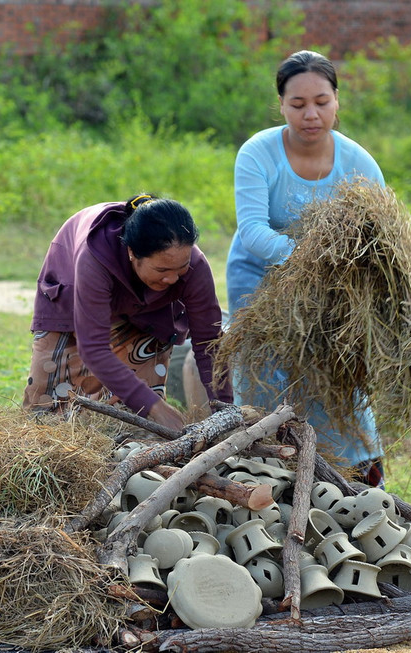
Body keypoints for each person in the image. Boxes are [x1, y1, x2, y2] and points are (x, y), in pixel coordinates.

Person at [226, 50, 386, 487]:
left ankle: (351, 481)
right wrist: (310, 258)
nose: (310, 114)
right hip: (259, 280)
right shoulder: (258, 153)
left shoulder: (359, 164)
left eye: (321, 102)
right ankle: (263, 475)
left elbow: (378, 237)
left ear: (337, 101)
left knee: (336, 376)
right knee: (265, 378)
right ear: (281, 105)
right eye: (297, 104)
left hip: (334, 288)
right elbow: (252, 230)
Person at [23, 194, 232, 431]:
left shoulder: (196, 266)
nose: (173, 278)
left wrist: (224, 411)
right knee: (48, 410)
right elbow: (93, 347)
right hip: (73, 297)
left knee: (137, 421)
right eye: (162, 270)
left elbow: (209, 342)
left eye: (181, 268)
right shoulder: (95, 257)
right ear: (132, 253)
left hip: (149, 310)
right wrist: (155, 406)